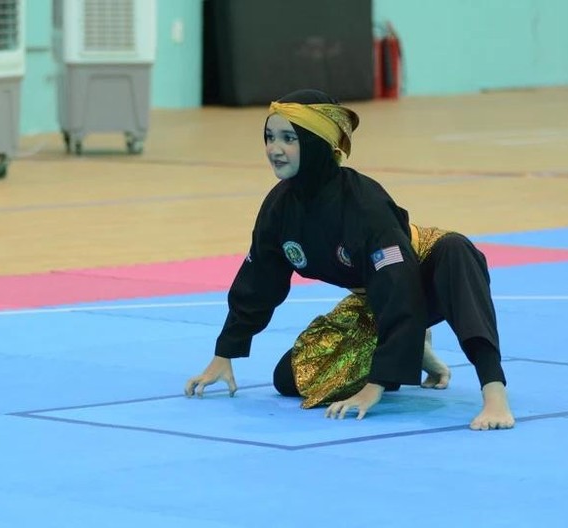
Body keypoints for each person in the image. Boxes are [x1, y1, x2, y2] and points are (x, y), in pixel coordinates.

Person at [184, 89, 514, 431]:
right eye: (269, 137)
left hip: (425, 273)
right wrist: (225, 354)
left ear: (315, 143)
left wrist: (375, 386)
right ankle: (417, 351)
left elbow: (399, 290)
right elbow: (258, 281)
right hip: (377, 296)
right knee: (290, 378)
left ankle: (494, 394)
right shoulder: (279, 207)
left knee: (455, 250)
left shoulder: (364, 205)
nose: (274, 149)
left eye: (288, 138)